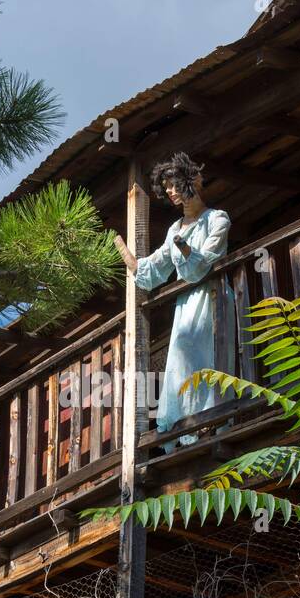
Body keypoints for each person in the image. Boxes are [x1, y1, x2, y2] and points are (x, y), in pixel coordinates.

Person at [114, 152, 235, 448]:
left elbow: (203, 263)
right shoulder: (174, 230)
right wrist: (135, 264)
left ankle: (212, 420)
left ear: (190, 181)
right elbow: (157, 265)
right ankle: (186, 426)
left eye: (173, 184)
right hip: (188, 304)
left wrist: (185, 251)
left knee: (210, 357)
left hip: (212, 298)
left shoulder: (216, 219)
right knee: (182, 360)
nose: (169, 191)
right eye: (165, 186)